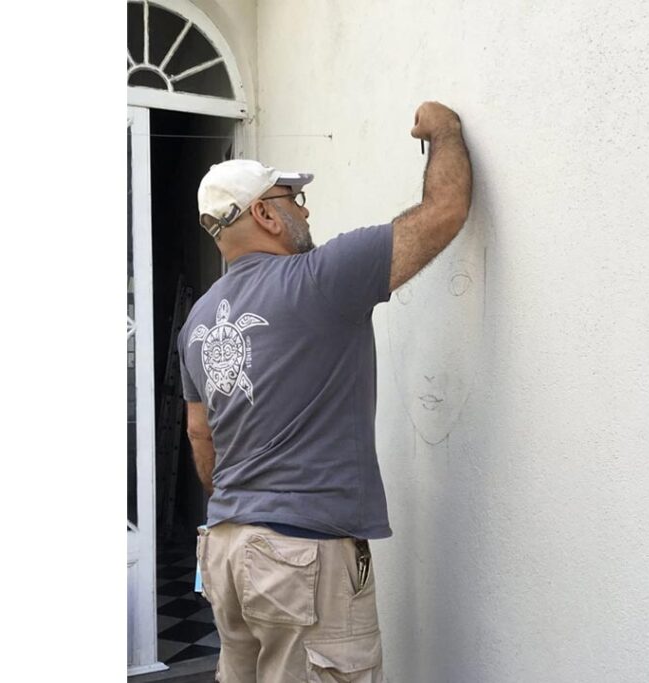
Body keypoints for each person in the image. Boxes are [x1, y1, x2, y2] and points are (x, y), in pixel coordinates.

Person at [178, 101, 472, 682]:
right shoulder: (319, 279)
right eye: (292, 201)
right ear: (264, 213)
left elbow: (198, 432)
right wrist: (445, 130)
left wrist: (246, 510)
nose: (304, 211)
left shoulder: (198, 321)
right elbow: (444, 212)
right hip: (300, 556)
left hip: (226, 549)